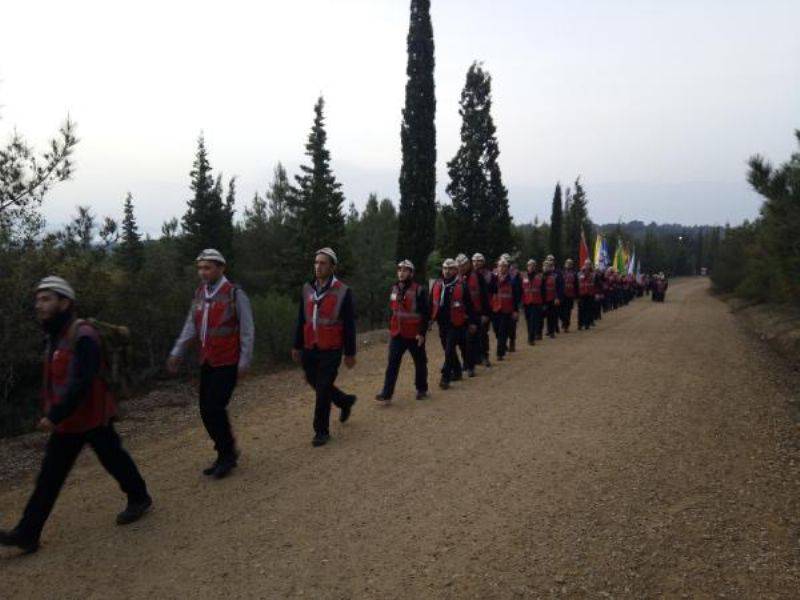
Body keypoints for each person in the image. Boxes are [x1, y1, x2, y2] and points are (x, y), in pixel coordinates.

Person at [1, 277, 151, 555]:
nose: (39, 305)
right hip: (71, 421)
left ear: (65, 302)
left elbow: (82, 380)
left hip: (91, 416)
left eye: (46, 299)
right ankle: (28, 533)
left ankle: (139, 497)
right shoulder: (55, 334)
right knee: (51, 475)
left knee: (112, 458)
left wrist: (55, 414)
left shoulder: (83, 336)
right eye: (38, 299)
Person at [168, 249, 254, 478]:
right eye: (200, 268)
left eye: (207, 268)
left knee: (215, 408)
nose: (202, 272)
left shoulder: (234, 294)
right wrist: (178, 351)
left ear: (220, 268)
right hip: (207, 360)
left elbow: (247, 330)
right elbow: (191, 325)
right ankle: (224, 451)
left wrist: (244, 361)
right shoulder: (200, 294)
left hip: (228, 361)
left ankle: (228, 454)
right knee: (206, 411)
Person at [292, 248, 357, 447]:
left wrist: (350, 352)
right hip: (310, 346)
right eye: (316, 262)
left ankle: (321, 431)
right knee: (314, 380)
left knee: (322, 388)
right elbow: (301, 318)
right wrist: (297, 345)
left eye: (323, 263)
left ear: (332, 267)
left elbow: (349, 325)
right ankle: (344, 401)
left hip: (332, 348)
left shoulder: (343, 291)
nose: (318, 266)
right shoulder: (307, 289)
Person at [375, 260, 429, 402]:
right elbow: (393, 310)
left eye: (405, 270)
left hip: (414, 333)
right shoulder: (394, 288)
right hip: (397, 333)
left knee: (420, 362)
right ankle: (387, 393)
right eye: (399, 270)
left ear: (411, 273)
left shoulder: (419, 290)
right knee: (392, 363)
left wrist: (422, 333)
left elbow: (425, 314)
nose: (401, 273)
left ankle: (421, 389)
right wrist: (390, 326)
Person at [431, 259, 477, 389]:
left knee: (450, 349)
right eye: (445, 268)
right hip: (442, 322)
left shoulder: (462, 285)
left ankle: (445, 377)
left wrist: (472, 322)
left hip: (456, 323)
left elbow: (470, 306)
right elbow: (431, 303)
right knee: (447, 349)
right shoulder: (437, 284)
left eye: (450, 268)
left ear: (456, 270)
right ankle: (457, 371)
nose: (447, 271)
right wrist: (429, 319)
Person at [457, 253, 487, 377]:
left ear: (468, 264)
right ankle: (467, 362)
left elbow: (484, 296)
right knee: (462, 341)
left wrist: (485, 313)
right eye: (459, 266)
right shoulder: (456, 278)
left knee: (471, 340)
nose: (461, 268)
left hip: (475, 314)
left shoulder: (478, 277)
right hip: (459, 314)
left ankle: (470, 366)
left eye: (463, 265)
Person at [491, 257, 521, 360]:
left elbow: (516, 296)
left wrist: (515, 310)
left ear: (507, 268)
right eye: (500, 266)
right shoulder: (493, 279)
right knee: (496, 330)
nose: (502, 268)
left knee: (502, 331)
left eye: (504, 266)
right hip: (495, 309)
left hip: (507, 309)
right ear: (497, 267)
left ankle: (500, 353)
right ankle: (503, 345)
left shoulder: (512, 281)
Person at [471, 253, 497, 367]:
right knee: (472, 335)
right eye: (475, 261)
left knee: (483, 333)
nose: (477, 263)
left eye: (479, 261)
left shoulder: (490, 276)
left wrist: (487, 312)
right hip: (472, 310)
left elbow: (493, 292)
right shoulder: (469, 276)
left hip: (485, 309)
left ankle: (485, 356)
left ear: (483, 262)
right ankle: (475, 357)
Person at [521, 259, 544, 345]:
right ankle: (530, 334)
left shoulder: (539, 277)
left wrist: (543, 302)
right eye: (530, 265)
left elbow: (543, 290)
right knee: (528, 320)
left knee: (533, 320)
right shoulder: (523, 276)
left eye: (533, 265)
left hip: (536, 302)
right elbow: (521, 289)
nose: (531, 267)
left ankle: (531, 338)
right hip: (526, 302)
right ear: (527, 267)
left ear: (535, 267)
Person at [542, 259, 563, 339]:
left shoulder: (555, 276)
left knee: (552, 316)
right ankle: (541, 332)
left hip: (553, 299)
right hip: (543, 300)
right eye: (545, 266)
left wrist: (557, 298)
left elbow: (559, 288)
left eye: (548, 266)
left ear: (551, 267)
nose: (546, 267)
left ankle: (551, 331)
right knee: (543, 316)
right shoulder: (541, 276)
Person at [560, 258, 578, 332]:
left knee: (568, 311)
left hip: (570, 295)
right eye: (567, 263)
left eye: (570, 263)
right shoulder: (561, 273)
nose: (568, 265)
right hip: (562, 294)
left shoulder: (574, 274)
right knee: (561, 311)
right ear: (565, 264)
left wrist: (576, 295)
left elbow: (576, 285)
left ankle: (566, 325)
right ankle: (564, 322)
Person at [577, 259, 596, 330]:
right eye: (586, 264)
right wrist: (584, 273)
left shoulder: (593, 274)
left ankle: (587, 324)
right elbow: (579, 280)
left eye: (589, 264)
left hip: (590, 294)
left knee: (588, 309)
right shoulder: (580, 273)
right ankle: (580, 324)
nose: (588, 266)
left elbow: (594, 280)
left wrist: (589, 273)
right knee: (581, 310)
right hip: (581, 294)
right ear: (584, 265)